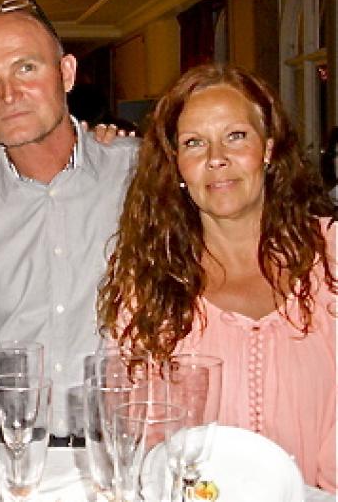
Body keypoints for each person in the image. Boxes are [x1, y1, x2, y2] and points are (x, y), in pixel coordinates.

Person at [98, 63, 336, 491]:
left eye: (236, 136)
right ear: (177, 167)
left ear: (267, 148)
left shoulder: (332, 258)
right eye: (194, 143)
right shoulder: (149, 282)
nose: (216, 159)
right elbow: (141, 435)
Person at [0, 0, 138, 453]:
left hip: (129, 449)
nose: (7, 93)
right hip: (17, 454)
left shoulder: (139, 174)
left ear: (66, 73)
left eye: (25, 68)